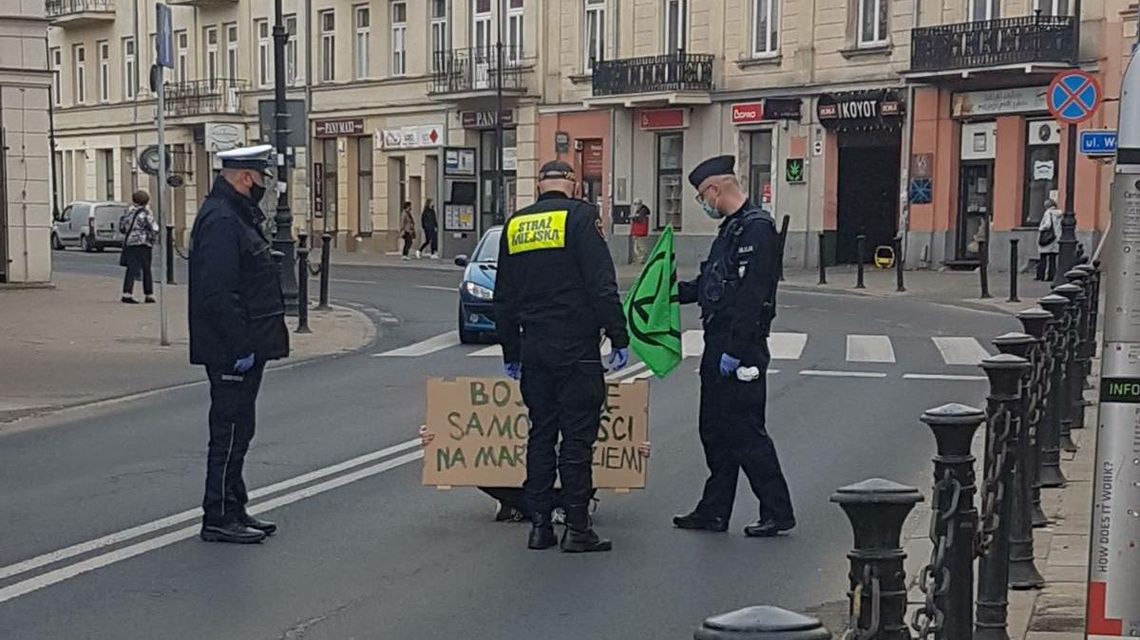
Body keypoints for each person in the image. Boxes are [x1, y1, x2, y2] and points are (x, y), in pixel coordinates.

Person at [493, 159, 630, 553]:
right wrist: (618, 336)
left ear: (539, 186)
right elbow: (601, 284)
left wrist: (511, 350)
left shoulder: (517, 225)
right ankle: (577, 526)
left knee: (540, 433)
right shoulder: (582, 218)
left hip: (534, 346)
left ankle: (539, 526)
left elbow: (503, 299)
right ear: (572, 185)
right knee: (576, 438)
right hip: (576, 347)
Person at [672, 155, 795, 538]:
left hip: (741, 347)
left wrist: (737, 349)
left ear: (715, 189)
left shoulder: (757, 230)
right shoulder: (731, 230)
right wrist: (670, 293)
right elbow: (714, 284)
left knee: (745, 432)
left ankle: (777, 511)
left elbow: (752, 297)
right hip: (717, 341)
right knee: (714, 430)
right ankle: (714, 510)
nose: (702, 203)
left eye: (701, 196)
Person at [188, 144, 289, 545]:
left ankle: (235, 505)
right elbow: (218, 292)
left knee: (241, 429)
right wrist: (239, 344)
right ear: (245, 176)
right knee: (228, 431)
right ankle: (218, 514)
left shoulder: (236, 215)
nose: (265, 185)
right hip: (230, 348)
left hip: (246, 344)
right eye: (262, 177)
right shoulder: (221, 219)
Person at [418, 426, 651, 523]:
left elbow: (610, 437)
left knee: (582, 457)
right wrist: (437, 436)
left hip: (565, 480)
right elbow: (477, 428)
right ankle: (558, 509)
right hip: (526, 480)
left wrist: (633, 448)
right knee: (476, 466)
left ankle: (529, 508)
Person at [119, 190, 159, 304]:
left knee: (131, 269)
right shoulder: (145, 213)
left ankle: (127, 293)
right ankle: (149, 294)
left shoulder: (129, 211)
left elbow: (123, 226)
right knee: (146, 269)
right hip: (143, 243)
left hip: (131, 242)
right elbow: (154, 227)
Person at [1037, 199, 1062, 282]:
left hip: (1047, 238)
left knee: (1043, 257)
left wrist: (1040, 228)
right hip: (1055, 238)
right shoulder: (1059, 213)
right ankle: (1051, 275)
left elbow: (1047, 225)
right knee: (1052, 259)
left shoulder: (1048, 213)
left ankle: (1041, 275)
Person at [631, 198, 651, 264]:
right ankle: (639, 260)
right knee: (636, 247)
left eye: (637, 204)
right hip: (637, 232)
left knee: (641, 247)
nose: (635, 205)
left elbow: (640, 220)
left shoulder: (643, 211)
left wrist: (633, 217)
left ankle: (641, 260)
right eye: (634, 204)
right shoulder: (638, 211)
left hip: (640, 232)